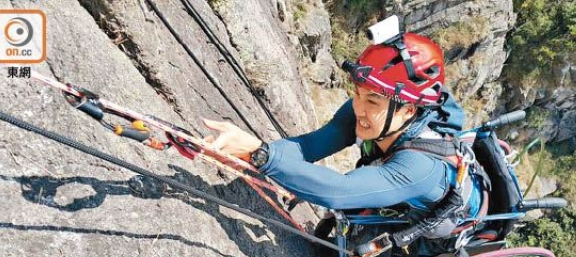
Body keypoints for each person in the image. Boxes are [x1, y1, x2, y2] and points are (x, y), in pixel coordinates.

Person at [202, 32, 481, 222]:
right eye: (357, 93)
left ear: (409, 109)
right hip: (387, 176)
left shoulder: (420, 168)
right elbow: (311, 146)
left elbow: (340, 192)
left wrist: (259, 154)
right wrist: (259, 154)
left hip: (418, 213)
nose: (359, 108)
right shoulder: (376, 112)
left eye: (372, 100)